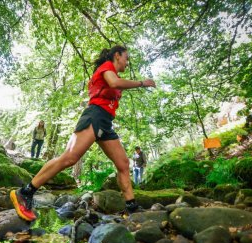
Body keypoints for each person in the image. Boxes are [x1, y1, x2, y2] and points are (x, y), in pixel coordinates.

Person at [10, 45, 156, 221]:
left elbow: (115, 84)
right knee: (70, 158)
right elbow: (114, 83)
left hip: (106, 122)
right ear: (117, 56)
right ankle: (25, 192)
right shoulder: (107, 68)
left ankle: (131, 207)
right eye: (126, 57)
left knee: (124, 164)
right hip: (94, 116)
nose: (128, 61)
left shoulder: (114, 73)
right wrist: (142, 83)